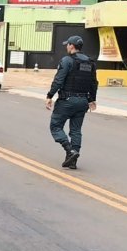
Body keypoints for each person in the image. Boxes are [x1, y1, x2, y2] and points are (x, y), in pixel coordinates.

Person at [45, 35, 98, 170]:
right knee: (76, 130)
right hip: (83, 101)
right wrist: (92, 99)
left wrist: (50, 95)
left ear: (72, 46)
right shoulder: (90, 63)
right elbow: (93, 83)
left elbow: (59, 80)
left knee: (55, 126)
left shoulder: (67, 60)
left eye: (67, 45)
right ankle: (73, 161)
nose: (66, 47)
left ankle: (70, 151)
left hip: (67, 100)